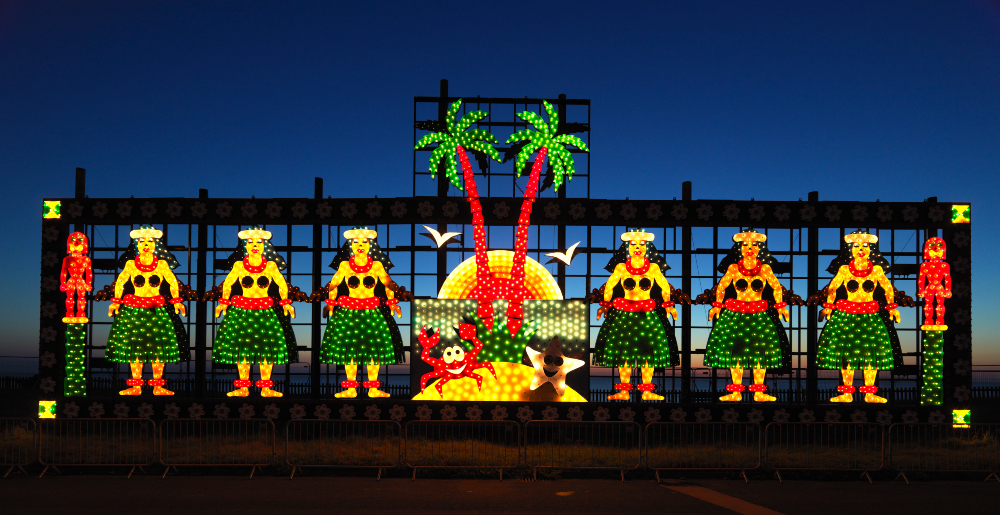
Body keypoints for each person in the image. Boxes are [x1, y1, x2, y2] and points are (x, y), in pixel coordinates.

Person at [705, 229, 791, 402]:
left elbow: (776, 287)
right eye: (745, 245)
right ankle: (736, 391)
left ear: (759, 249)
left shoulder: (765, 269)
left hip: (758, 314)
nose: (749, 248)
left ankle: (758, 391)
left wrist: (780, 305)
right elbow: (721, 287)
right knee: (735, 354)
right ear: (740, 248)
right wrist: (718, 305)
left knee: (760, 355)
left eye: (754, 245)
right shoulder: (734, 268)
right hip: (736, 313)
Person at [593, 228, 679, 401]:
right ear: (627, 247)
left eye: (642, 244)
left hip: (646, 313)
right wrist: (605, 305)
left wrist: (668, 304)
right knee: (624, 354)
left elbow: (664, 286)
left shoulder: (653, 268)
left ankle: (647, 390)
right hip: (624, 314)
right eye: (633, 244)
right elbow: (609, 286)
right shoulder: (621, 268)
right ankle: (624, 391)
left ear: (647, 247)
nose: (638, 247)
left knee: (648, 354)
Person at [817, 230, 902, 403]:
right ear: (851, 249)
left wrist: (892, 307)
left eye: (865, 246)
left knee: (870, 357)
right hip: (847, 315)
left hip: (869, 315)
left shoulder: (876, 270)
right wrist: (828, 307)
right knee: (846, 356)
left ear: (871, 249)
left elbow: (887, 289)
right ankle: (846, 392)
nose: (861, 249)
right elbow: (832, 288)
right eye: (856, 246)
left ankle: (869, 393)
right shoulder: (844, 270)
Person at [320, 226, 404, 398]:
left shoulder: (377, 266)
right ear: (350, 245)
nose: (360, 244)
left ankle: (373, 388)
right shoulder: (344, 266)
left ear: (370, 245)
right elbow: (334, 284)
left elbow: (387, 283)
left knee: (373, 352)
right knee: (350, 352)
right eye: (355, 241)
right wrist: (330, 302)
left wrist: (392, 301)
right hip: (349, 312)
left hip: (371, 311)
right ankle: (351, 388)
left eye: (364, 241)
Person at [213, 226, 296, 397]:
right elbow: (228, 284)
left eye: (259, 242)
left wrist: (285, 302)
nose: (255, 245)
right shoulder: (239, 266)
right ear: (245, 245)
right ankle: (244, 387)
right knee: (243, 351)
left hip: (265, 310)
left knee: (266, 351)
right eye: (250, 242)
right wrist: (224, 301)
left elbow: (281, 284)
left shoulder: (271, 266)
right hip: (242, 310)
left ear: (265, 245)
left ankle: (265, 387)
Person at [106, 225, 187, 396]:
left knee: (159, 350)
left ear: (156, 244)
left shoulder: (162, 265)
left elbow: (172, 282)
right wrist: (116, 301)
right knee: (136, 350)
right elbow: (120, 282)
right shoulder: (131, 265)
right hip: (134, 309)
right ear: (136, 244)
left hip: (156, 308)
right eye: (141, 241)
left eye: (150, 241)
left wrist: (176, 301)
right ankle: (136, 386)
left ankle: (158, 385)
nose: (145, 244)